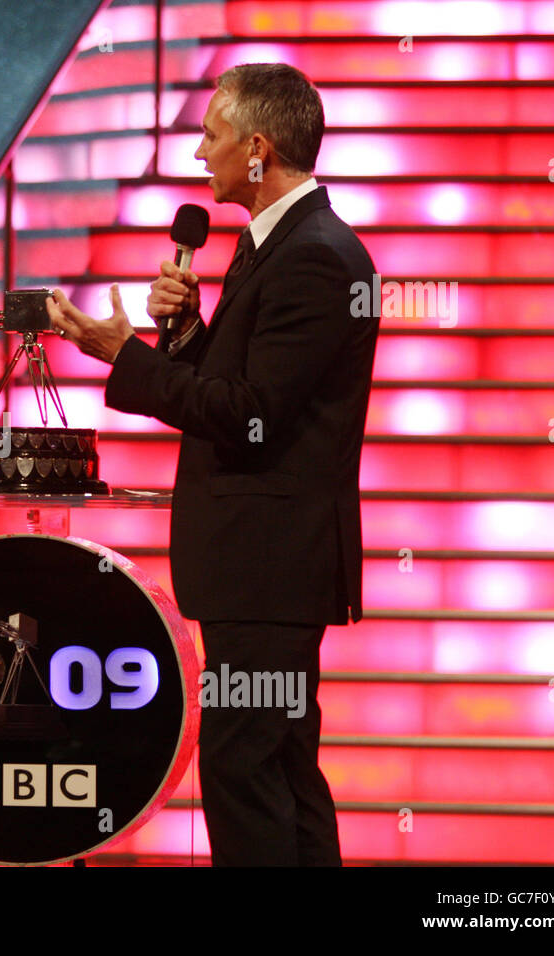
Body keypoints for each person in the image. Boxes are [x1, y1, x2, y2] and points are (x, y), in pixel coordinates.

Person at [46, 63, 378, 865]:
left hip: (270, 570)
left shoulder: (316, 257)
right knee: (280, 771)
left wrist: (121, 356)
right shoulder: (277, 246)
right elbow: (244, 390)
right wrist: (189, 336)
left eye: (213, 137)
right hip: (261, 570)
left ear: (258, 150)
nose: (200, 154)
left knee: (246, 772)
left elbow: (251, 416)